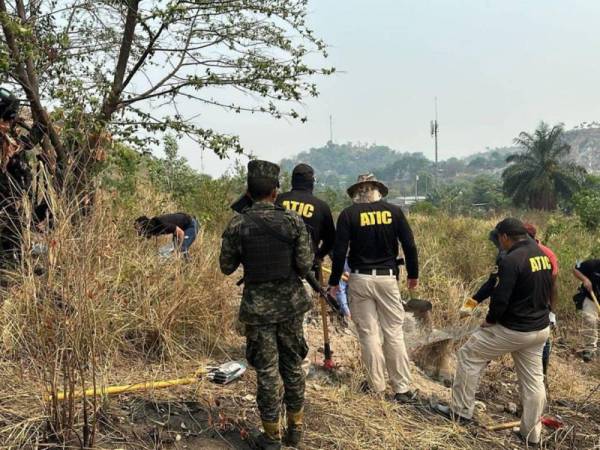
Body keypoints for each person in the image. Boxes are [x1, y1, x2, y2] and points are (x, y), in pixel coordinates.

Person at [220, 160, 314, 450]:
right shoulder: (293, 221)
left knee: (268, 372)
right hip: (290, 307)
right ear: (276, 191)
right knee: (293, 366)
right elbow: (305, 264)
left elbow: (226, 266)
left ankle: (271, 436)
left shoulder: (238, 223)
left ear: (249, 191)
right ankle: (295, 429)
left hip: (258, 310)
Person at [435, 218, 552, 447]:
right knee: (533, 381)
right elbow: (493, 283)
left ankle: (460, 412)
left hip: (513, 329)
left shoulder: (512, 259)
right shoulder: (541, 255)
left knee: (468, 355)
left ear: (505, 236)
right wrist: (471, 303)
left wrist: (490, 320)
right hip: (539, 330)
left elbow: (500, 299)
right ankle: (532, 434)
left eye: (499, 239)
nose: (499, 244)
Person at [327, 173, 419, 403]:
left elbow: (339, 251)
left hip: (359, 279)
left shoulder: (348, 214)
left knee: (368, 334)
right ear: (378, 190)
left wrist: (334, 282)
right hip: (387, 279)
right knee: (394, 333)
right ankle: (402, 388)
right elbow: (409, 244)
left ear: (357, 192)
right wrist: (413, 275)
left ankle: (376, 386)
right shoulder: (394, 212)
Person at [276, 163, 335, 268]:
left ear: (292, 181)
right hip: (308, 268)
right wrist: (317, 256)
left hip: (278, 267)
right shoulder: (321, 206)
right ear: (311, 183)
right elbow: (330, 240)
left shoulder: (277, 200)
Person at [134, 212, 199, 257]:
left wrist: (177, 250)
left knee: (181, 249)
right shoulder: (152, 225)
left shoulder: (161, 225)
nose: (139, 233)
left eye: (140, 231)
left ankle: (188, 269)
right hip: (181, 225)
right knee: (173, 250)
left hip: (190, 226)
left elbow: (181, 233)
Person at [572, 258, 600, 362]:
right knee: (590, 320)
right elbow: (576, 269)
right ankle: (589, 348)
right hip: (591, 298)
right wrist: (585, 279)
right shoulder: (593, 264)